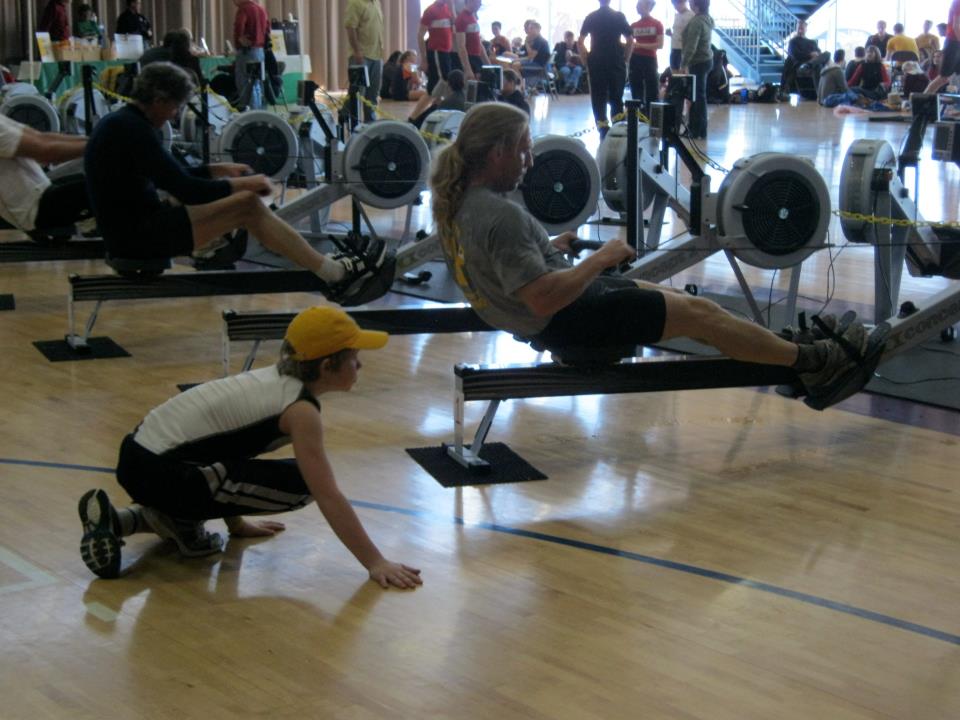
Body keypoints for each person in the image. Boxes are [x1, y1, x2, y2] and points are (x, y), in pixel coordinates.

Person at [428, 103, 870, 415]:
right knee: (701, 317)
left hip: (546, 316)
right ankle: (814, 364)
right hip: (567, 322)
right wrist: (599, 259)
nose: (529, 161)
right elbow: (542, 298)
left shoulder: (458, 202)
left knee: (694, 305)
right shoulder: (500, 215)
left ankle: (787, 350)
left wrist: (548, 248)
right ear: (498, 152)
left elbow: (499, 263)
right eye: (523, 150)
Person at [77, 305, 424, 589]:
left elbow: (224, 450)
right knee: (304, 485)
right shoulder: (300, 410)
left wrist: (236, 525)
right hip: (165, 474)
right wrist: (376, 562)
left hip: (139, 456)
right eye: (354, 357)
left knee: (232, 472)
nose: (360, 365)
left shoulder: (271, 380)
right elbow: (328, 494)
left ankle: (122, 521)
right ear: (327, 365)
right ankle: (184, 527)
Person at [84, 63, 384, 299]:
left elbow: (175, 174)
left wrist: (219, 170)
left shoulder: (123, 122)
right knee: (248, 205)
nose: (175, 115)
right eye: (175, 107)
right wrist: (243, 185)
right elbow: (187, 190)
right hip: (136, 239)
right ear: (160, 99)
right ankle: (335, 275)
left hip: (129, 231)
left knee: (245, 204)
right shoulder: (135, 130)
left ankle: (319, 265)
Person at [0, 113, 91, 240]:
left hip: (44, 192)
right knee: (113, 182)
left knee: (98, 172)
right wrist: (99, 143)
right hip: (36, 212)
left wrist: (95, 139)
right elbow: (47, 153)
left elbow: (42, 138)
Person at [578, 0, 635, 138]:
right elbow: (630, 39)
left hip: (596, 61)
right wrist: (626, 59)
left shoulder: (591, 17)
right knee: (616, 96)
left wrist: (586, 59)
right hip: (616, 61)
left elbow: (580, 41)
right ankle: (617, 127)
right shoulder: (619, 16)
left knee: (598, 97)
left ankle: (602, 130)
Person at [344, 0, 384, 123]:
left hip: (376, 56)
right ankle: (347, 119)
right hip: (361, 56)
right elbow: (351, 28)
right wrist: (357, 51)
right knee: (357, 93)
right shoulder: (355, 3)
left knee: (372, 93)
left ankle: (370, 123)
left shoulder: (376, 2)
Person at [679, 0, 714, 139]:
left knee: (697, 97)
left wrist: (684, 63)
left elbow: (691, 46)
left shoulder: (697, 22)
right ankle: (699, 129)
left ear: (696, 5)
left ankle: (696, 130)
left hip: (698, 62)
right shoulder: (706, 19)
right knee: (699, 96)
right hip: (706, 60)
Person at [232, 0, 269, 110]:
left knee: (244, 84)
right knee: (257, 83)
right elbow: (268, 29)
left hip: (247, 51)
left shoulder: (244, 8)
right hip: (260, 51)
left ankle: (248, 113)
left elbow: (239, 25)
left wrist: (240, 39)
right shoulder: (261, 9)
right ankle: (258, 112)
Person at [629, 0, 664, 111]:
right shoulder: (633, 25)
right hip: (635, 59)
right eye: (636, 5)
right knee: (635, 85)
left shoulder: (657, 24)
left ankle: (651, 113)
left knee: (652, 87)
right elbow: (630, 44)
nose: (637, 7)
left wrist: (639, 45)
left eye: (639, 5)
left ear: (648, 6)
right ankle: (638, 113)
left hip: (650, 58)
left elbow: (660, 44)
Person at [781, 20, 827, 98]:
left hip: (813, 63)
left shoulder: (812, 42)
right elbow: (795, 55)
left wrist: (816, 55)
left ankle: (824, 92)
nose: (800, 29)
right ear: (796, 28)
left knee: (827, 54)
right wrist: (810, 55)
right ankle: (820, 94)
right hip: (800, 65)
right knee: (817, 66)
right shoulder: (793, 42)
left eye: (802, 27)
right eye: (799, 27)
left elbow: (819, 54)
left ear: (806, 29)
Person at [419, 0, 456, 94]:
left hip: (447, 51)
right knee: (443, 81)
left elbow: (455, 27)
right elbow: (420, 35)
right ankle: (441, 106)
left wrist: (452, 8)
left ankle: (427, 107)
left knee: (435, 85)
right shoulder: (430, 10)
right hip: (437, 51)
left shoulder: (448, 8)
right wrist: (424, 59)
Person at [926, 1, 960, 94]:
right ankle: (921, 101)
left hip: (956, 42)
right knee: (943, 78)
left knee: (946, 78)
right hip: (953, 42)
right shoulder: (957, 2)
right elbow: (956, 26)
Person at [454, 0, 485, 80]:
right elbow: (461, 46)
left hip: (476, 57)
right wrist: (468, 69)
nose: (479, 5)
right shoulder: (461, 19)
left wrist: (488, 64)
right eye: (478, 2)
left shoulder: (473, 17)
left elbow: (478, 42)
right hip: (470, 58)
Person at [667, 0, 694, 71]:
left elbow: (692, 34)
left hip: (683, 49)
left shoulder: (691, 15)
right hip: (674, 47)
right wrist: (671, 34)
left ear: (683, 2)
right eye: (674, 5)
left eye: (676, 5)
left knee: (682, 72)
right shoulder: (677, 15)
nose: (675, 7)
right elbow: (678, 32)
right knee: (673, 71)